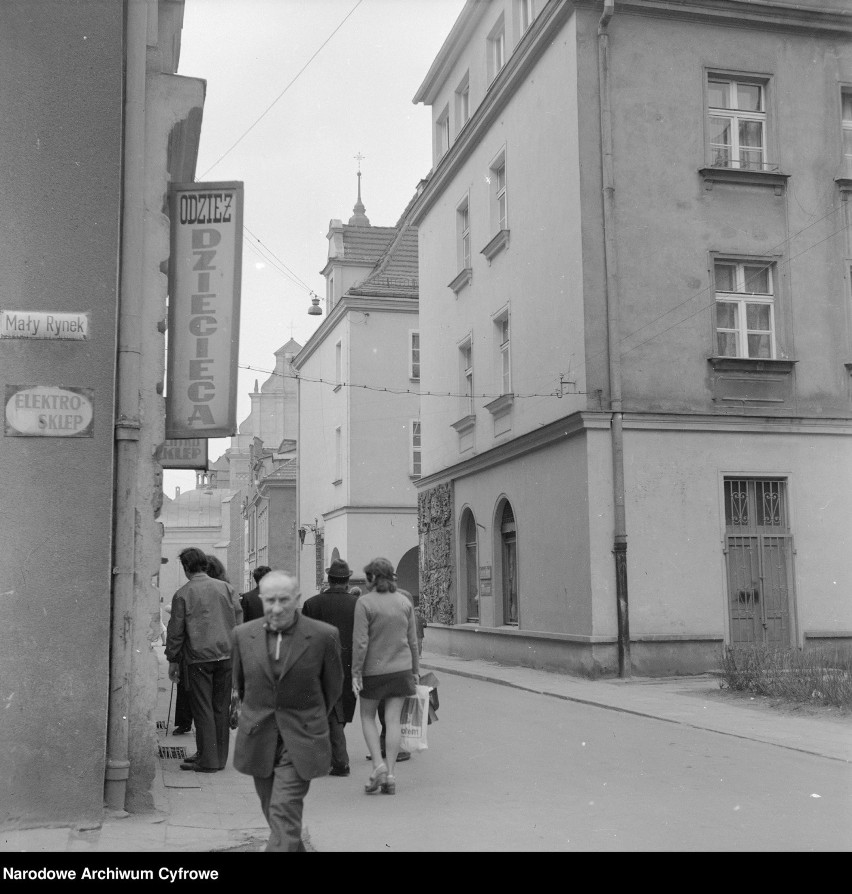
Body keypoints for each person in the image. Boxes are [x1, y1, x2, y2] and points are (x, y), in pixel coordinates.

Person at [232, 570, 343, 852]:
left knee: (283, 809)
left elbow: (332, 689)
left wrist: (308, 717)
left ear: (297, 599)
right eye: (270, 601)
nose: (277, 608)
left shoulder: (323, 636)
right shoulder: (244, 636)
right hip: (260, 737)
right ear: (261, 599)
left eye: (284, 600)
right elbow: (242, 687)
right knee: (274, 811)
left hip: (302, 738)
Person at [165, 547, 243, 773]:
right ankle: (217, 758)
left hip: (198, 658)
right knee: (220, 707)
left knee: (203, 709)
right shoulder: (227, 588)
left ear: (187, 567)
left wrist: (172, 659)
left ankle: (207, 760)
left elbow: (176, 632)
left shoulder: (183, 593)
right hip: (226, 656)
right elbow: (239, 621)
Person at [352, 557, 420, 796]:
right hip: (401, 670)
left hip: (373, 671)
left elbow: (360, 643)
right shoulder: (404, 601)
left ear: (371, 578)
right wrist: (415, 670)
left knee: (368, 717)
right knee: (393, 721)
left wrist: (355, 673)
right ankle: (390, 775)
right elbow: (412, 641)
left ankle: (378, 764)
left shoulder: (364, 603)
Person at [301, 558, 360, 777]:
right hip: (351, 663)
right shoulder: (358, 604)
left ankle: (337, 758)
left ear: (329, 579)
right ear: (347, 581)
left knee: (330, 710)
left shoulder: (312, 603)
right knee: (339, 709)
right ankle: (336, 757)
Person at [373, 582, 424, 763]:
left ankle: (393, 747)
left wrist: (414, 670)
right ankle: (387, 746)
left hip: (394, 667)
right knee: (387, 710)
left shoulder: (408, 617)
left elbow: (415, 642)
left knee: (391, 711)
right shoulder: (391, 611)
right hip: (392, 667)